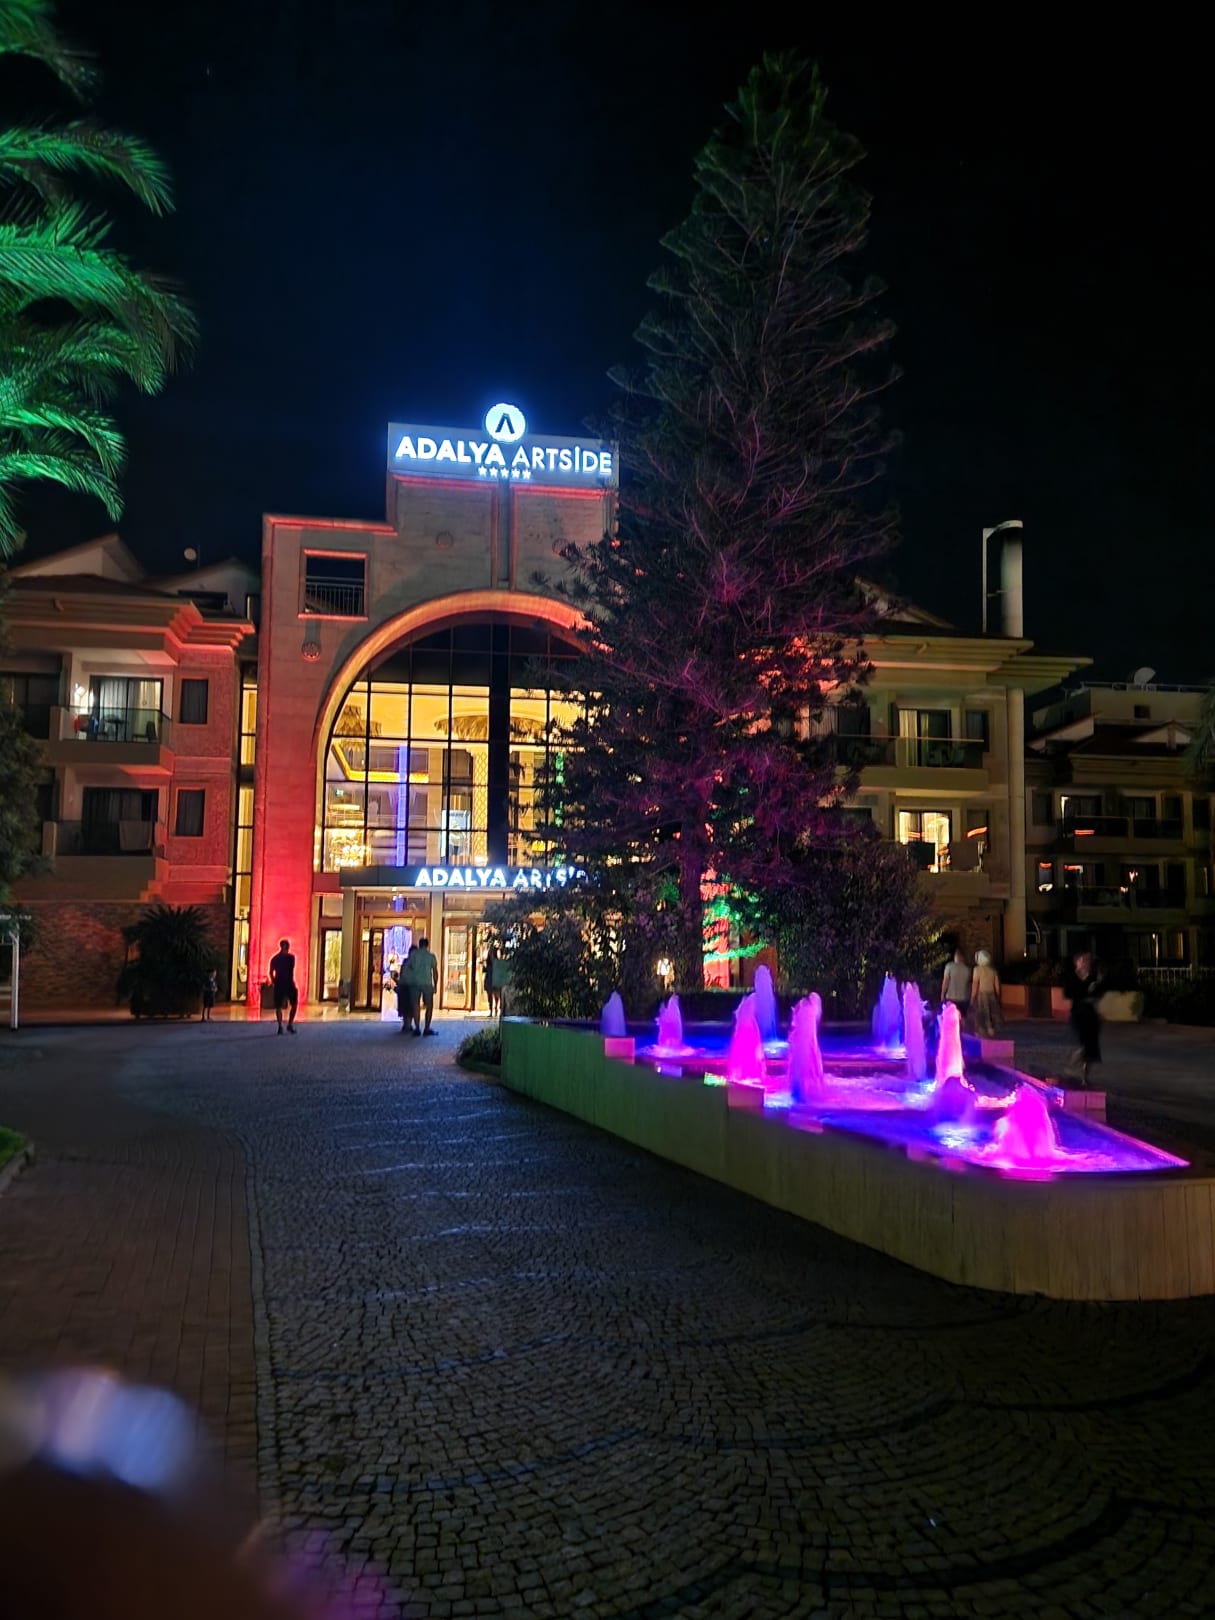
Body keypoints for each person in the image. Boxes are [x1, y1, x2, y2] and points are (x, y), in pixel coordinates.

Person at [1062, 948, 1103, 1086]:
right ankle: (1071, 1067)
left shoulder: (1093, 977)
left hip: (1091, 1015)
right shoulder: (1071, 977)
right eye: (1083, 960)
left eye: (1088, 961)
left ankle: (1085, 1077)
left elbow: (1097, 994)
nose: (1086, 963)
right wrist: (1085, 991)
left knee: (1091, 1048)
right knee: (1083, 1046)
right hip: (1078, 1014)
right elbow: (1069, 993)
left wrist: (1094, 987)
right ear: (1077, 962)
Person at [969, 949, 1003, 1037]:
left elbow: (975, 984)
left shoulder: (977, 970)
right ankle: (991, 1030)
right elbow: (997, 986)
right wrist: (998, 997)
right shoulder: (993, 971)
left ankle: (982, 1032)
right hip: (992, 995)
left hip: (981, 995)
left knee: (981, 1014)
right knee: (991, 1014)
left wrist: (972, 997)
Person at [411, 935, 439, 1036]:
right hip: (427, 983)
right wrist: (435, 985)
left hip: (415, 983)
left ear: (419, 945)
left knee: (416, 1005)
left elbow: (410, 969)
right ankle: (427, 1028)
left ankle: (417, 1028)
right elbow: (435, 972)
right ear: (427, 945)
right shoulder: (431, 956)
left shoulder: (414, 955)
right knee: (429, 1006)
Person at [268, 938, 298, 1035]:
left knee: (280, 1006)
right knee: (289, 1005)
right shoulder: (291, 958)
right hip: (287, 983)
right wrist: (274, 981)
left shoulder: (275, 958)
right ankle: (287, 1024)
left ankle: (282, 1025)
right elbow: (290, 969)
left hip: (281, 983)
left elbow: (271, 972)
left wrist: (274, 981)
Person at [941, 948, 971, 1022]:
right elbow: (969, 984)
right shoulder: (968, 969)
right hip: (964, 998)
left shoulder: (949, 966)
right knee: (963, 1018)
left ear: (955, 956)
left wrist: (942, 994)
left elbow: (945, 981)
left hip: (951, 997)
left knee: (951, 1019)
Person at [397, 944, 420, 1034]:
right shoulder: (415, 963)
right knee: (409, 1006)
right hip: (410, 986)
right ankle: (408, 1024)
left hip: (404, 986)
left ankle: (407, 1024)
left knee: (406, 1006)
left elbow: (402, 974)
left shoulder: (406, 962)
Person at [484, 944, 501, 1017]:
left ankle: (495, 1009)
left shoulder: (495, 962)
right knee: (491, 994)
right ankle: (492, 1009)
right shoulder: (490, 963)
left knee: (495, 994)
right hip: (490, 977)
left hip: (493, 977)